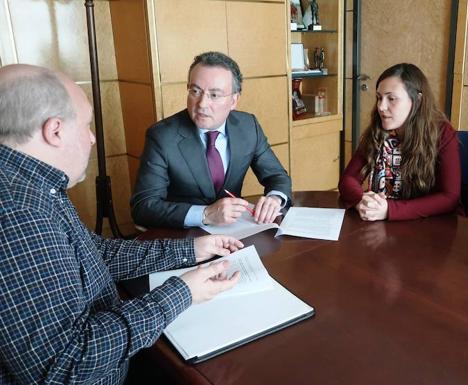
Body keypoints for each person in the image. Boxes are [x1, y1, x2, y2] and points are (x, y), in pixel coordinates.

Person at [0, 64, 244, 385]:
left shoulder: (33, 183)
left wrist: (190, 249)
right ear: (54, 130)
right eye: (86, 125)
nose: (91, 139)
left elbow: (93, 254)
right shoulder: (19, 214)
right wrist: (182, 292)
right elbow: (65, 367)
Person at [131, 51, 292, 228]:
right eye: (195, 91)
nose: (201, 104)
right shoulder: (162, 136)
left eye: (214, 95)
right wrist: (205, 214)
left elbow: (277, 175)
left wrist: (275, 198)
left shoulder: (247, 126)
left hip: (235, 231)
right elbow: (143, 207)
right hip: (183, 237)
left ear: (234, 100)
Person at [339, 63, 460, 221]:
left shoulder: (442, 133)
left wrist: (390, 210)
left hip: (430, 228)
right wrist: (362, 200)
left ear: (417, 100)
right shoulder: (378, 130)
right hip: (384, 228)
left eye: (391, 99)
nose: (381, 107)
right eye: (379, 98)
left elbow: (449, 198)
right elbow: (348, 180)